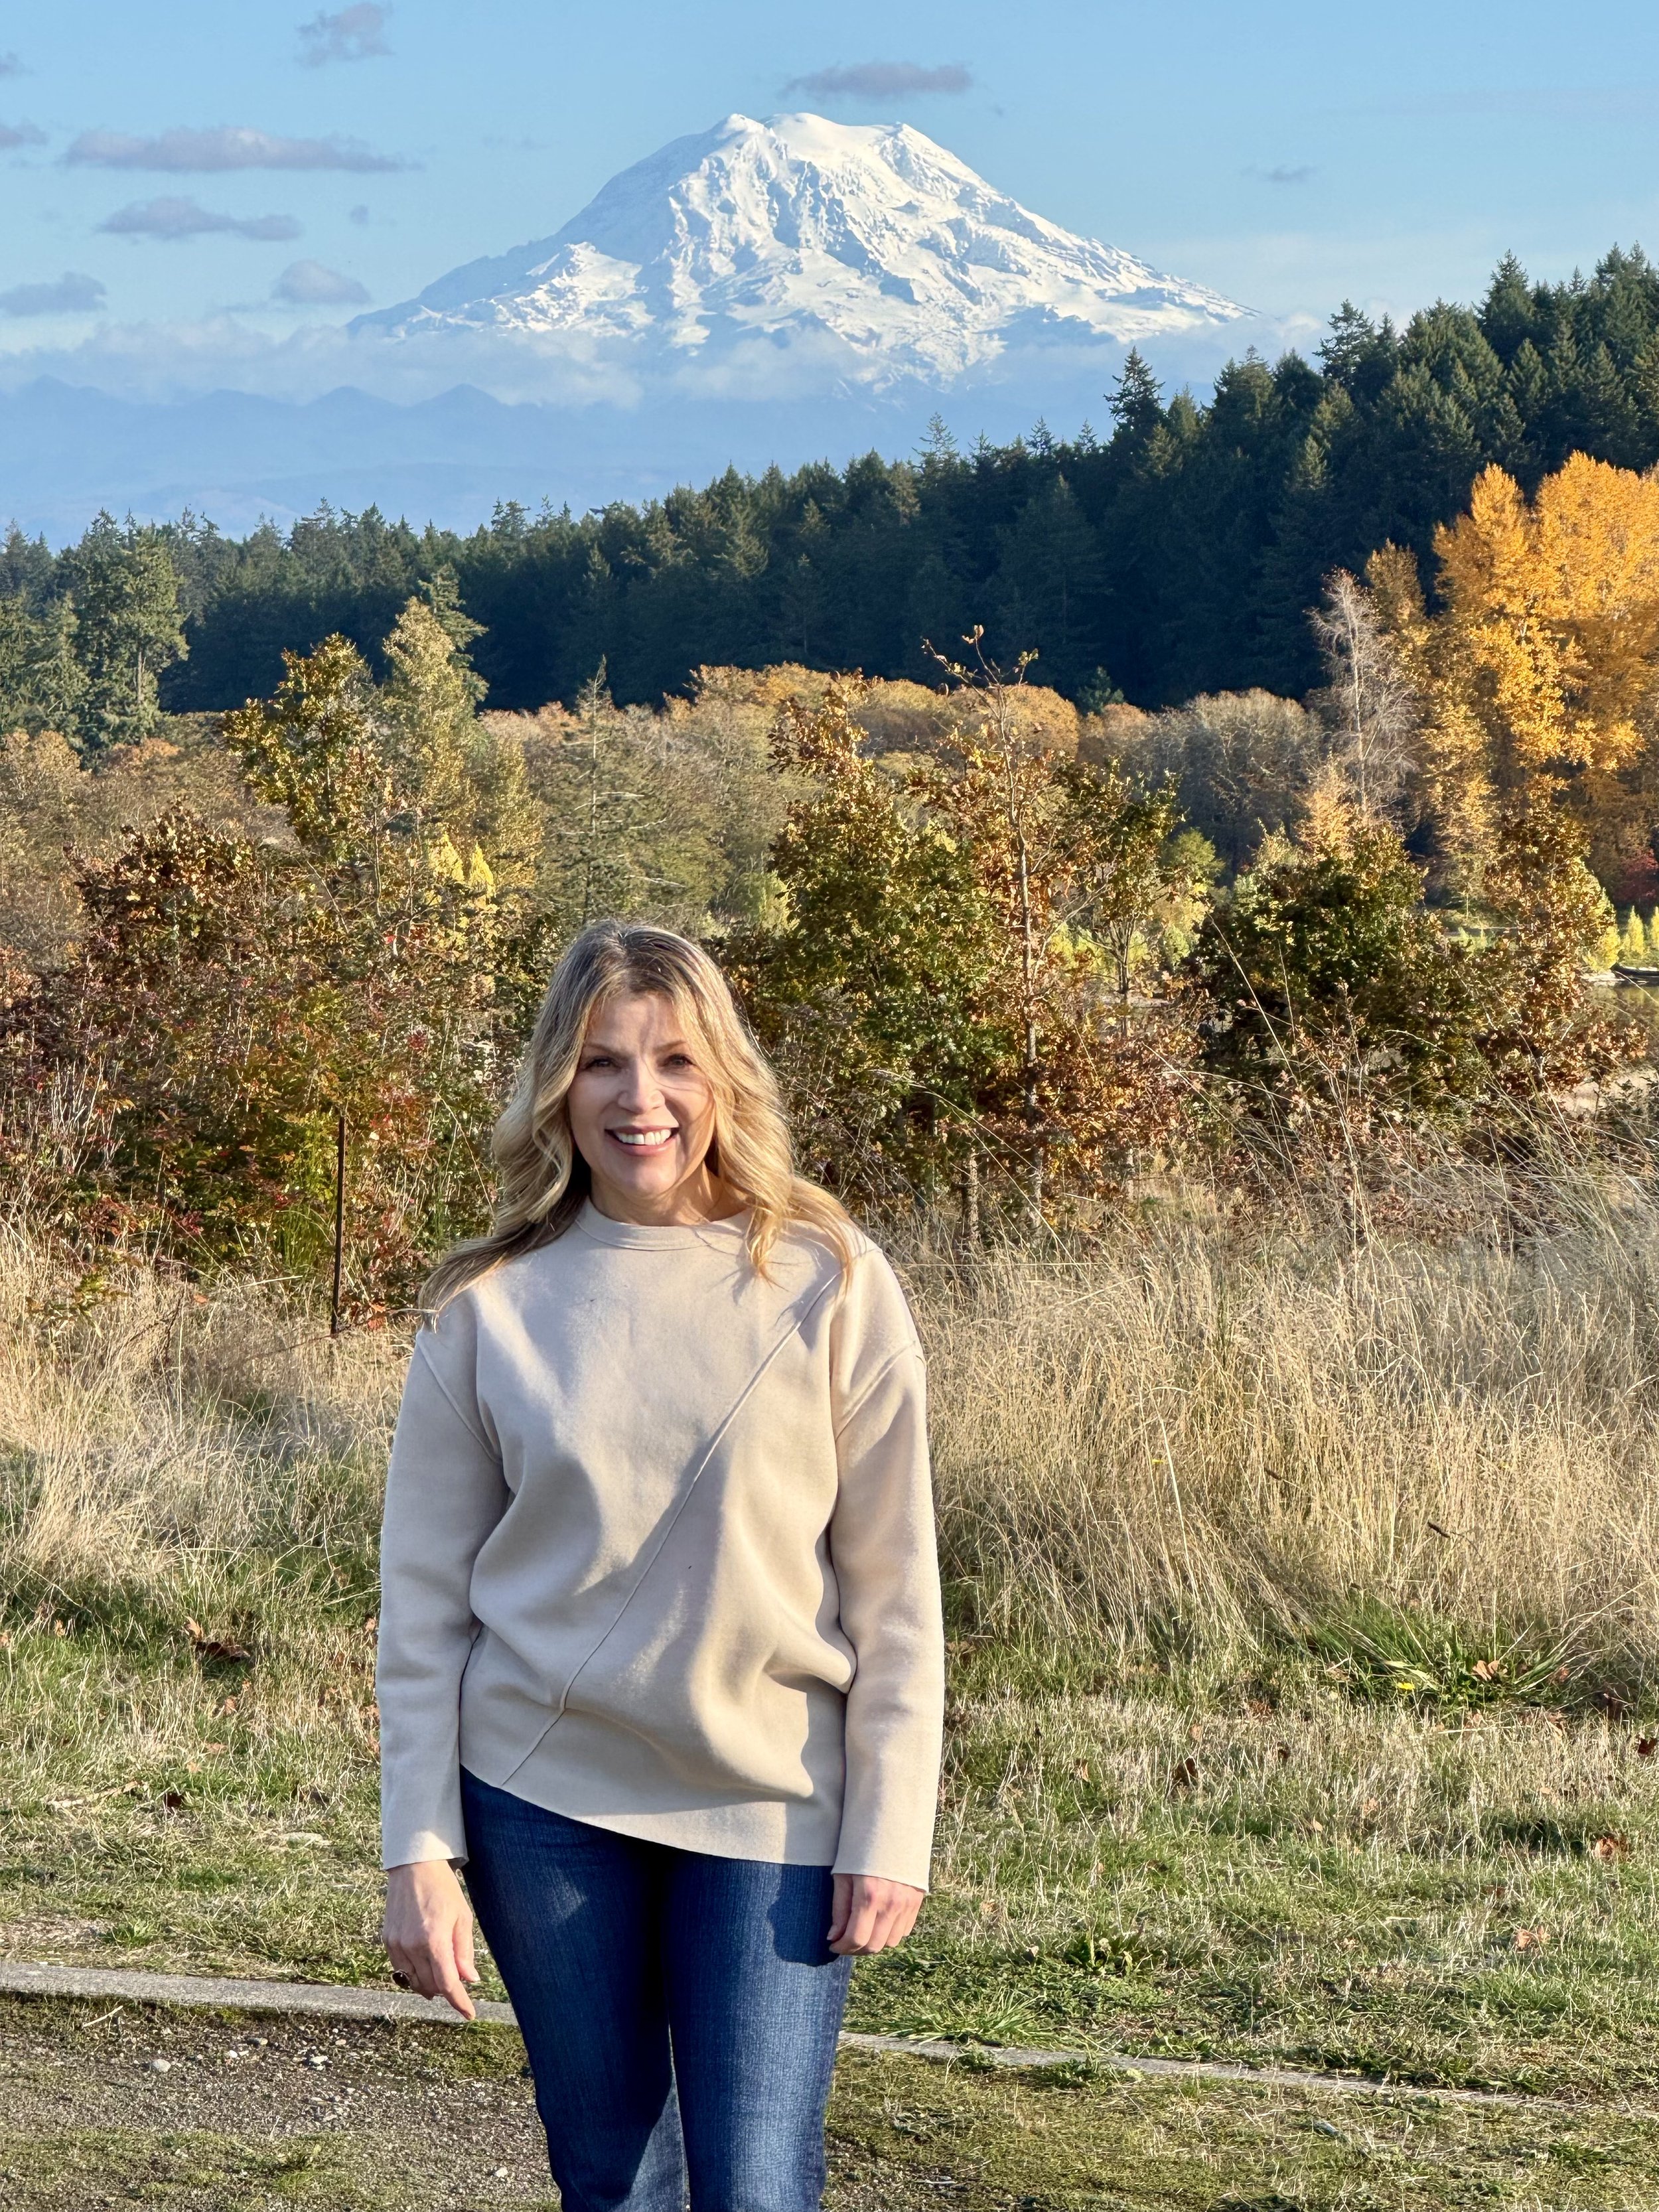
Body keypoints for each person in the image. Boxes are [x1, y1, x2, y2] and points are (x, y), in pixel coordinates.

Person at [376, 919, 945, 2212]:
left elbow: (895, 1588)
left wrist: (890, 1823)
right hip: (543, 1804)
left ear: (723, 1078)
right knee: (614, 2185)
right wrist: (418, 1848)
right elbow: (419, 1612)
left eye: (675, 1061)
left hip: (773, 1801)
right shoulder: (487, 1310)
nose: (641, 1099)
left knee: (754, 2187)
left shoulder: (831, 1280)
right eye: (602, 1063)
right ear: (554, 1088)